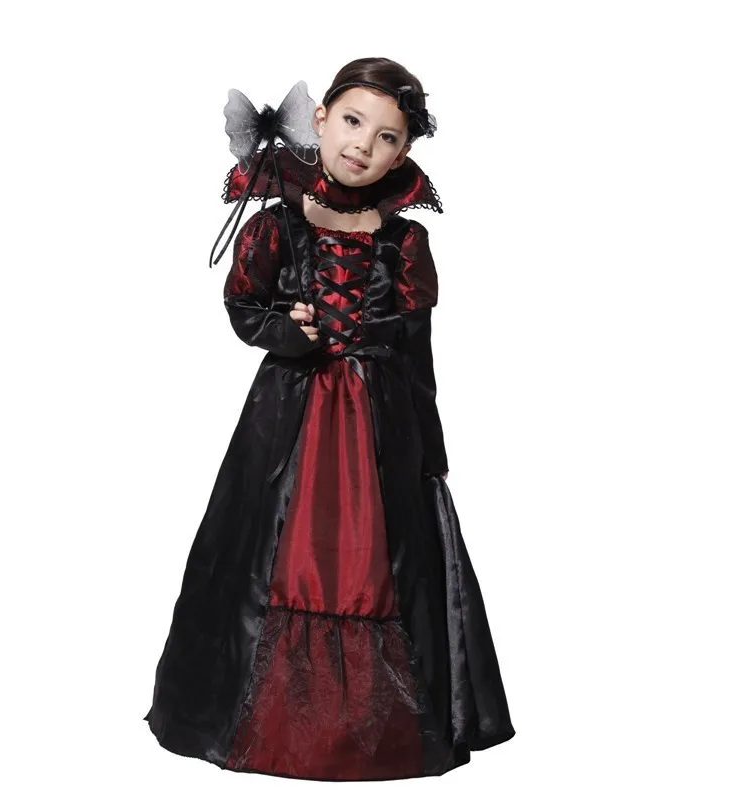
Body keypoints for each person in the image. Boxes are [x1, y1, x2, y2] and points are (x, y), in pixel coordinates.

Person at [143, 57, 515, 781]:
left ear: (403, 154)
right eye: (352, 121)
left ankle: (371, 733)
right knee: (273, 551)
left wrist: (429, 450)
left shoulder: (405, 242)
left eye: (387, 137)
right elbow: (243, 305)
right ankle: (260, 717)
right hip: (288, 418)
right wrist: (286, 331)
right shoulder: (279, 223)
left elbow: (418, 350)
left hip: (380, 421)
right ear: (321, 119)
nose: (363, 145)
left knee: (377, 560)